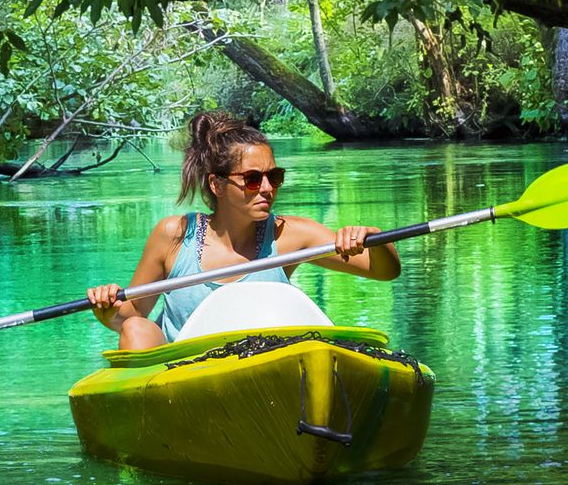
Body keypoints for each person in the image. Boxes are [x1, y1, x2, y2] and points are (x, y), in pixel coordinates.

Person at [86, 110, 401, 351]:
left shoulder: (290, 235)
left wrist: (371, 238)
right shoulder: (174, 235)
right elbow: (131, 316)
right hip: (182, 379)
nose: (267, 189)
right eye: (252, 179)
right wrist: (108, 310)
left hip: (262, 373)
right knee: (136, 331)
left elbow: (385, 271)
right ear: (217, 184)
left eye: (274, 176)